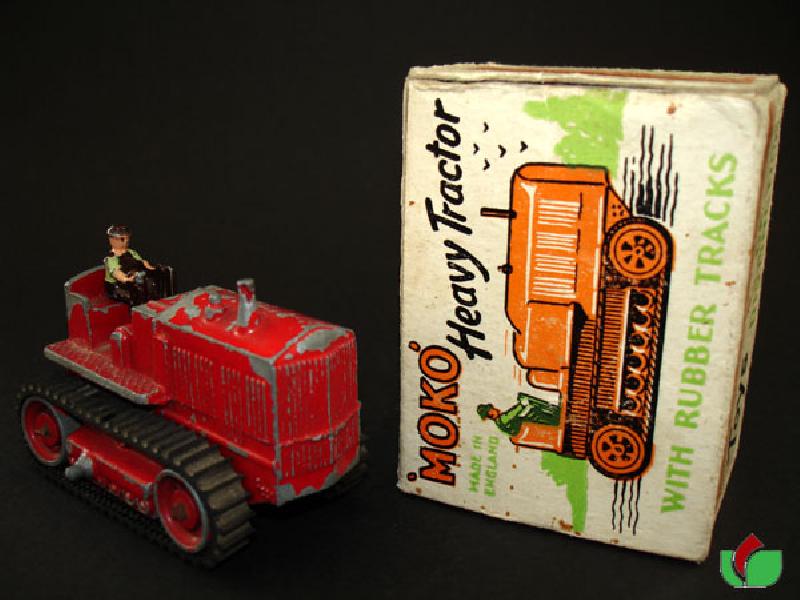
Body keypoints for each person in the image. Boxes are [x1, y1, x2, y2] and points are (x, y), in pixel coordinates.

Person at [104, 224, 171, 305]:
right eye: (122, 239)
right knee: (137, 288)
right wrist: (127, 279)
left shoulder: (131, 252)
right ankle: (141, 306)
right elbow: (116, 273)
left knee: (160, 274)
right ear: (112, 240)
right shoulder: (111, 258)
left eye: (127, 238)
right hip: (116, 286)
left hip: (132, 275)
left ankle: (164, 297)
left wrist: (150, 268)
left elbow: (140, 261)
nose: (126, 241)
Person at [477, 392, 561, 437]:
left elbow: (514, 413)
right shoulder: (503, 419)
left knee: (528, 404)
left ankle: (554, 410)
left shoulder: (500, 422)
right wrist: (521, 403)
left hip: (527, 426)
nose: (494, 409)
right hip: (530, 425)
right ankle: (556, 412)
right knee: (528, 402)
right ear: (490, 413)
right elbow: (515, 412)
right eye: (491, 409)